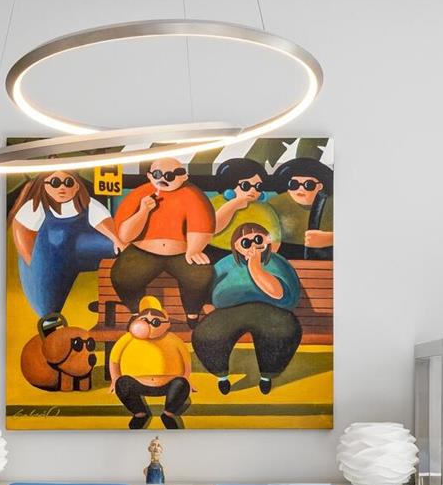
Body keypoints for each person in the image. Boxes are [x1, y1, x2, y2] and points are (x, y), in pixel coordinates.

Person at [192, 224, 305, 396]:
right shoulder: (226, 263)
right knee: (205, 335)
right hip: (229, 311)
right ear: (236, 246)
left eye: (258, 239)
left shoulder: (276, 262)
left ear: (267, 240)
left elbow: (281, 295)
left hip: (271, 311)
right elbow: (206, 287)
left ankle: (267, 376)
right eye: (246, 242)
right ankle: (222, 376)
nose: (253, 246)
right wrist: (207, 304)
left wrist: (255, 265)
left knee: (285, 331)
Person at [110, 157, 216, 325]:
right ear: (149, 176)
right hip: (143, 251)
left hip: (182, 253)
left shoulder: (192, 194)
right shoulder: (140, 194)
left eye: (171, 175)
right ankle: (137, 311)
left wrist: (194, 249)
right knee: (122, 276)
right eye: (158, 174)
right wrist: (143, 211)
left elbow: (202, 224)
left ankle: (192, 313)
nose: (164, 179)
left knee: (201, 276)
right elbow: (125, 235)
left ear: (184, 176)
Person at [11, 170, 119, 332]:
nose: (62, 188)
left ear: (77, 186)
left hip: (82, 249)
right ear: (44, 185)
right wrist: (35, 264)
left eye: (68, 183)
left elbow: (104, 224)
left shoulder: (89, 205)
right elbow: (23, 235)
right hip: (50, 258)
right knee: (47, 299)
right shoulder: (34, 207)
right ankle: (50, 324)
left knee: (116, 250)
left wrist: (117, 241)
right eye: (55, 183)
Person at [106, 295, 193, 429]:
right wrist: (115, 378)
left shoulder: (173, 338)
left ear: (166, 323)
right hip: (137, 383)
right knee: (122, 384)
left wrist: (186, 377)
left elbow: (186, 359)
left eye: (155, 322)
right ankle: (140, 413)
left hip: (168, 384)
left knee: (182, 384)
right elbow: (114, 359)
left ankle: (168, 414)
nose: (148, 325)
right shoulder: (128, 338)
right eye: (144, 320)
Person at [206, 157, 282, 254]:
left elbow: (275, 238)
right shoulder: (215, 203)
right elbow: (209, 230)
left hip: (255, 254)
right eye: (245, 185)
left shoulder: (265, 209)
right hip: (215, 251)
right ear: (230, 184)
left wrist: (266, 256)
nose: (253, 190)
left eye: (258, 186)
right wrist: (233, 205)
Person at [263, 157, 333, 259]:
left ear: (320, 186)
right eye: (294, 184)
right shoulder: (276, 203)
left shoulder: (332, 204)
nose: (300, 189)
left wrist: (330, 238)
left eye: (308, 185)